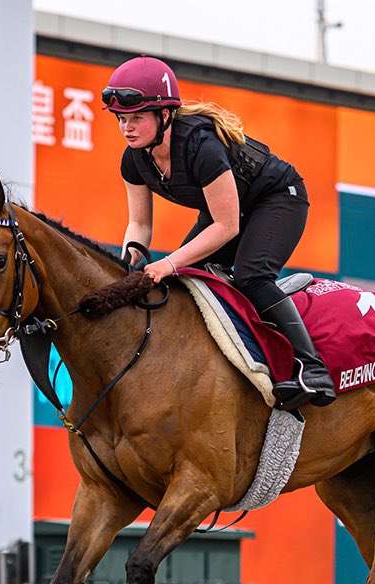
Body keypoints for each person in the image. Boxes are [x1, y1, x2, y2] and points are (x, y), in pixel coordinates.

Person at [102, 55, 336, 411]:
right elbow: (140, 225)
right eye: (121, 119)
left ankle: (312, 370)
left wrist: (168, 263)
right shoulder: (133, 159)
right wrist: (129, 263)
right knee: (181, 284)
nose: (127, 128)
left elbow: (227, 226)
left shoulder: (201, 147)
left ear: (165, 116)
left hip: (277, 199)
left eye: (136, 117)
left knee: (251, 276)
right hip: (229, 211)